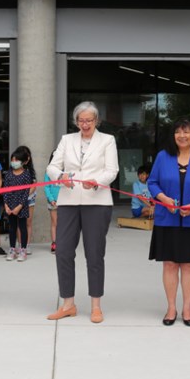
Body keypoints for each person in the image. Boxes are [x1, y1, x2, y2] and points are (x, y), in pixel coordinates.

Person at [46, 101, 120, 324]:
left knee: (94, 254)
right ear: (76, 121)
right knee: (63, 252)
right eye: (81, 120)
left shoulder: (107, 140)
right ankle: (68, 304)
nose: (85, 124)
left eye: (89, 120)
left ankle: (95, 305)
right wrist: (61, 177)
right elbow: (52, 166)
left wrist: (96, 182)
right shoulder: (67, 140)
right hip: (68, 201)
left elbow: (112, 170)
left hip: (96, 202)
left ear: (97, 121)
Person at [148, 118, 190, 327]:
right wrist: (164, 199)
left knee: (189, 265)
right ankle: (171, 308)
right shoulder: (162, 157)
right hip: (167, 219)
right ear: (173, 135)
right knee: (169, 263)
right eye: (178, 132)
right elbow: (152, 182)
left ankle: (187, 308)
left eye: (186, 132)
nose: (182, 136)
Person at [2, 145, 35, 262]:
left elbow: (26, 192)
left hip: (22, 205)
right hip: (10, 205)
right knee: (12, 228)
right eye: (12, 160)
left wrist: (19, 206)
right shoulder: (9, 173)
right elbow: (5, 189)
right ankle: (12, 249)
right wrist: (6, 204)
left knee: (22, 227)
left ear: (23, 161)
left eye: (16, 160)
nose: (14, 162)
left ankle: (23, 250)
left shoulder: (26, 174)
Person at [43, 151, 60, 253]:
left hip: (64, 201)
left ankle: (63, 242)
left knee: (64, 224)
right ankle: (54, 243)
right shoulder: (48, 172)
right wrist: (51, 199)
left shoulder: (65, 171)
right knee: (55, 222)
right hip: (53, 201)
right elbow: (46, 187)